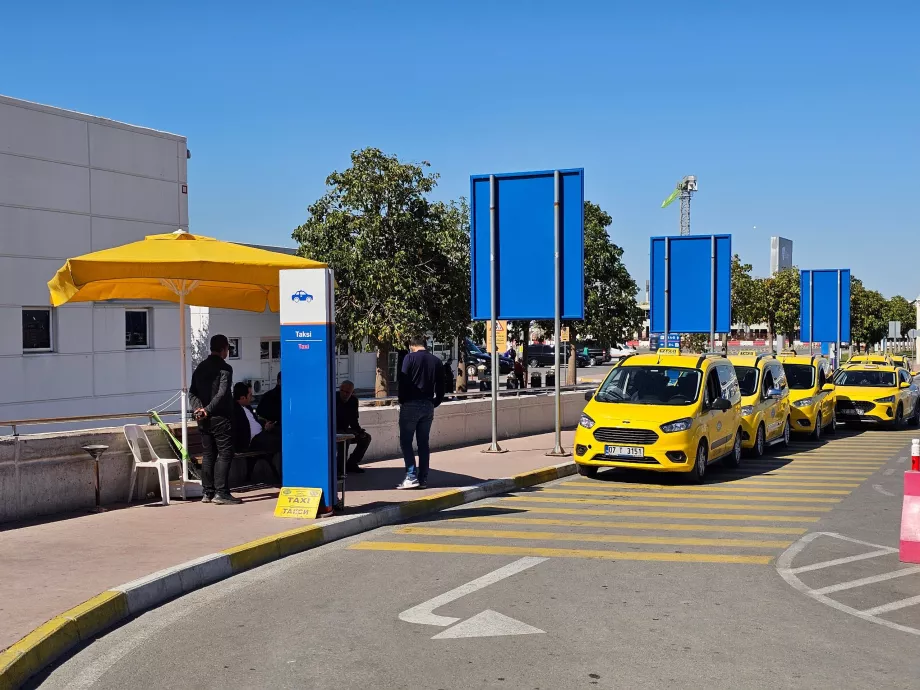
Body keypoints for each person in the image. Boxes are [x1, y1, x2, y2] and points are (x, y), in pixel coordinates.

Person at [189, 334, 240, 504]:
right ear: (224, 349)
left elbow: (192, 392)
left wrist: (199, 409)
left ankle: (207, 492)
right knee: (225, 454)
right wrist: (208, 410)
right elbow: (223, 393)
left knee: (208, 454)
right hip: (221, 418)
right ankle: (221, 492)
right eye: (228, 349)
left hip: (203, 419)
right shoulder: (226, 369)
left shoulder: (200, 368)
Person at [396, 335, 445, 489]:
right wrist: (436, 401)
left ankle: (411, 476)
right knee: (423, 443)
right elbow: (442, 385)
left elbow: (403, 381)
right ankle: (423, 479)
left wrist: (402, 399)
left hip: (410, 404)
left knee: (406, 441)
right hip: (428, 405)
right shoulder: (436, 361)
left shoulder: (409, 358)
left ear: (412, 345)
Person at [231, 382, 282, 486]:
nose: (252, 397)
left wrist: (265, 426)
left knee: (280, 433)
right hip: (249, 441)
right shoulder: (234, 410)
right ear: (242, 397)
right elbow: (243, 430)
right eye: (249, 395)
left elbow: (254, 423)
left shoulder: (247, 407)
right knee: (279, 441)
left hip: (259, 436)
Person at [335, 380, 371, 475]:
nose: (345, 394)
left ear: (352, 392)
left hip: (346, 430)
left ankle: (352, 463)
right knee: (344, 439)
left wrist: (358, 431)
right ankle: (340, 469)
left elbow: (354, 420)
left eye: (348, 392)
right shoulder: (333, 398)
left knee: (366, 438)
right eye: (343, 391)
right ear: (340, 389)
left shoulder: (353, 401)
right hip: (333, 431)